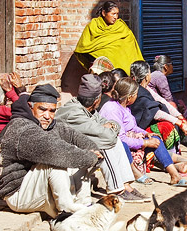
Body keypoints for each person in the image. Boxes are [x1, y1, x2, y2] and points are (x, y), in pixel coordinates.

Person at [0, 84, 101, 216]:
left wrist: (93, 151)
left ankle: (84, 204)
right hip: (18, 193)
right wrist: (91, 157)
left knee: (78, 153)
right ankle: (66, 212)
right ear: (30, 107)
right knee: (57, 161)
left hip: (39, 187)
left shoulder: (51, 125)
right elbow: (54, 151)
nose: (47, 116)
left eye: (52, 111)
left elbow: (74, 136)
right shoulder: (22, 128)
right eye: (42, 109)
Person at [55, 73, 149, 202]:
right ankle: (117, 189)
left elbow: (112, 125)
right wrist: (107, 127)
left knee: (114, 142)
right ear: (97, 100)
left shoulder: (88, 110)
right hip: (67, 155)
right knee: (105, 145)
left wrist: (109, 126)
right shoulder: (75, 113)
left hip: (81, 149)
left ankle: (126, 185)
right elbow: (107, 137)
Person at [99, 77, 187, 186]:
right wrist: (145, 143)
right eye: (136, 94)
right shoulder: (112, 110)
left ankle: (174, 175)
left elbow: (132, 126)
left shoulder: (125, 106)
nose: (137, 97)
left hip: (129, 139)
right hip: (115, 145)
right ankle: (135, 173)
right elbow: (121, 138)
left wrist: (147, 134)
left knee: (155, 139)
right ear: (130, 97)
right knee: (128, 144)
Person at [129, 61, 187, 180]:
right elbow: (154, 112)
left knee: (158, 134)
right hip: (133, 130)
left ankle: (180, 164)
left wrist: (180, 118)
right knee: (164, 129)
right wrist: (179, 122)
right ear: (147, 76)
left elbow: (163, 102)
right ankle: (178, 166)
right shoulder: (137, 91)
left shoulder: (145, 90)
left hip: (139, 128)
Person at [73, 1, 144, 74]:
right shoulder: (93, 26)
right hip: (101, 70)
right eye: (113, 14)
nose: (115, 17)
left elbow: (130, 47)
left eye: (117, 14)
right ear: (104, 13)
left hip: (122, 69)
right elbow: (84, 47)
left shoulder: (121, 27)